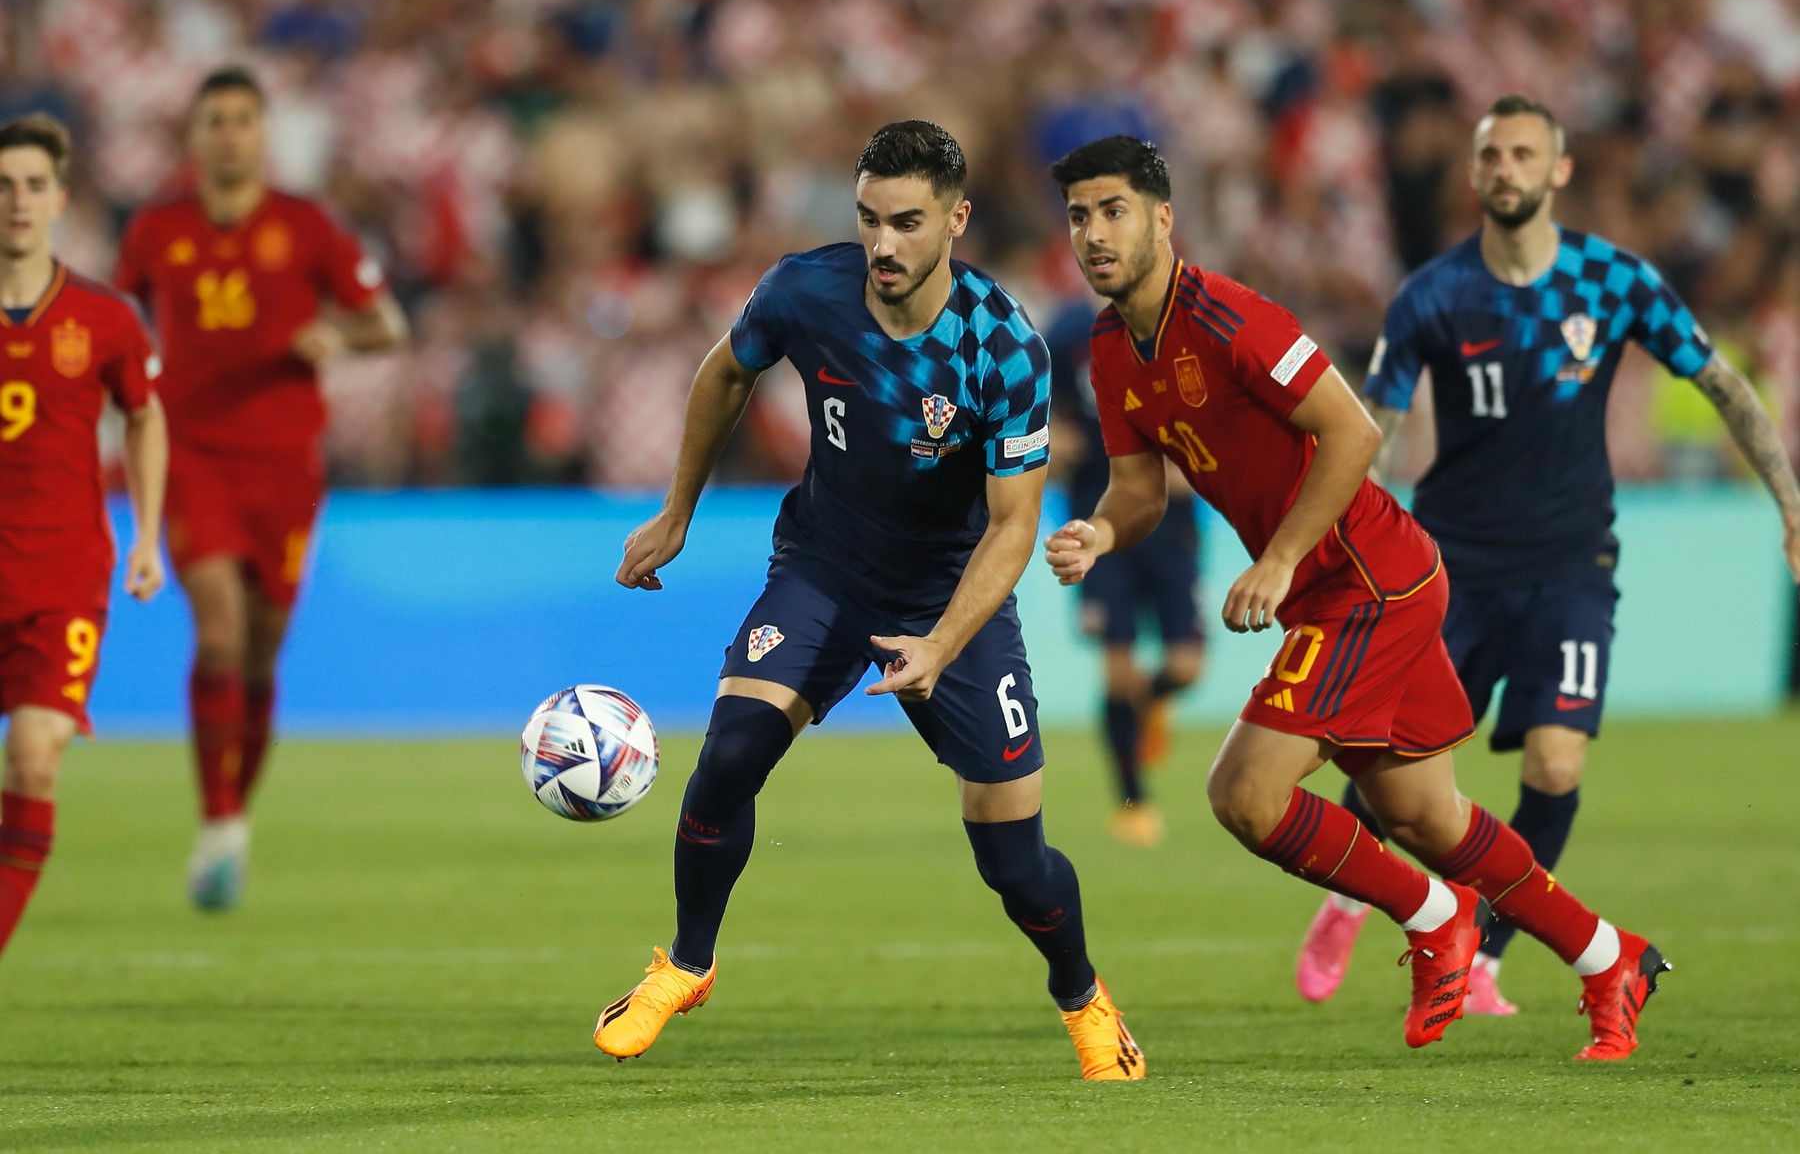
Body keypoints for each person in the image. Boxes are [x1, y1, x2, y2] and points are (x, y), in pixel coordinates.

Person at [1043, 134, 1667, 1060]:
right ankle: (1610, 955)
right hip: (1351, 586)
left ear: (1163, 219)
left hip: (1368, 580)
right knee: (1426, 817)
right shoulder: (1108, 346)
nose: (1095, 233)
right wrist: (1098, 531)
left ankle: (1432, 912)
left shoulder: (1232, 320)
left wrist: (1283, 557)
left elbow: (1354, 431)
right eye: (1080, 216)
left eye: (1114, 210)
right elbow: (1139, 493)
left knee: (1246, 794)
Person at [592, 121, 1143, 1081]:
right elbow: (726, 371)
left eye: (906, 222)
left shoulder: (1003, 346)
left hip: (950, 598)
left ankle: (1084, 997)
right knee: (728, 758)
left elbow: (1014, 526)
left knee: (1014, 863)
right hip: (823, 571)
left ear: (956, 220)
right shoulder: (806, 289)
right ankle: (684, 962)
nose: (881, 244)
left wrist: (940, 641)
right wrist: (678, 509)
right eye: (868, 219)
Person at [1294, 95, 1800, 1015]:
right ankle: (1346, 900)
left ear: (1559, 170)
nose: (1507, 170)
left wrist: (1790, 500)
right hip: (1451, 568)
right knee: (1395, 770)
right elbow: (1376, 431)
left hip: (1572, 565)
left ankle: (1483, 953)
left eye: (1526, 154)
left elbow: (1720, 382)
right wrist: (1339, 549)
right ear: (1476, 173)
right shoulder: (1433, 295)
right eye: (1492, 156)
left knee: (1557, 767)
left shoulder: (1613, 282)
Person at [114, 67, 407, 910]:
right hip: (192, 454)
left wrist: (337, 337)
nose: (230, 133)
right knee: (218, 635)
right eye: (215, 119)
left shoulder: (305, 224)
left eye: (244, 119)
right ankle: (216, 818)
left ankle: (234, 815)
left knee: (261, 652)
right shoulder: (158, 227)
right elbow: (115, 313)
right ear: (194, 135)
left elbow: (387, 323)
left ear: (263, 133)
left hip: (285, 466)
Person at [0, 114, 167, 959]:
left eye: (33, 184)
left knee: (34, 756)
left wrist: (146, 536)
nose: (17, 201)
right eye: (3, 185)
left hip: (62, 573)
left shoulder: (104, 316)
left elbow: (144, 417)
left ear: (59, 198)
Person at [1045, 297, 1205, 846]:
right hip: (1098, 520)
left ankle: (1149, 701)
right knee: (1116, 669)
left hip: (1172, 525)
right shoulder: (1068, 332)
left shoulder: (1182, 328)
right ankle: (1133, 800)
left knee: (1185, 666)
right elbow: (1052, 422)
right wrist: (1053, 445)